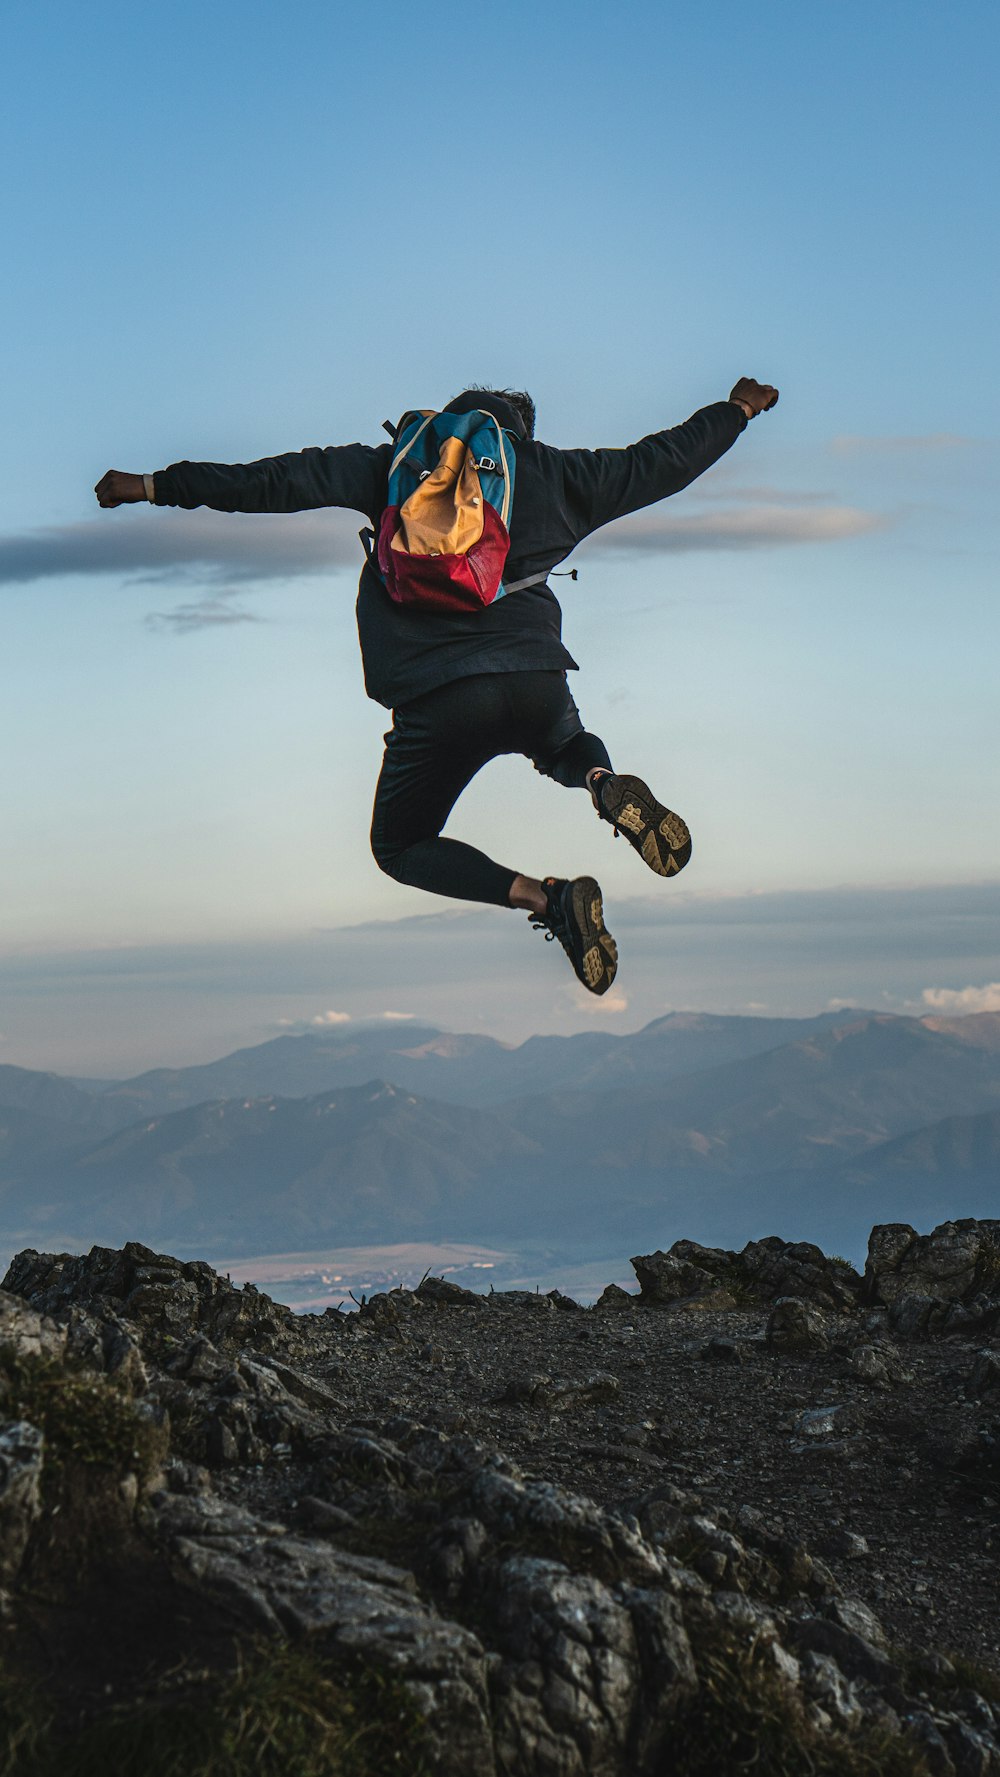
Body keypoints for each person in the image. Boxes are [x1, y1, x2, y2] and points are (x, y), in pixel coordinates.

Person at [95, 375, 778, 995]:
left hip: (435, 699)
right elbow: (665, 461)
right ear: (519, 438)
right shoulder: (558, 475)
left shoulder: (392, 468)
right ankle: (602, 783)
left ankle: (549, 900)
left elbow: (271, 482)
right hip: (533, 678)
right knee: (563, 739)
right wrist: (738, 409)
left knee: (401, 847)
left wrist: (153, 485)